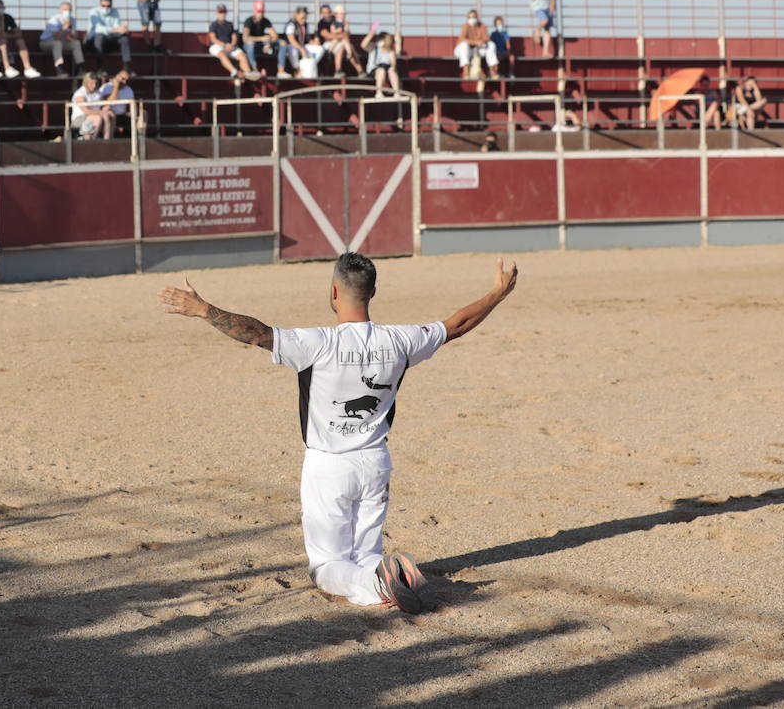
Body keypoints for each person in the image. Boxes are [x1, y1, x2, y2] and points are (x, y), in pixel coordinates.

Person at [157, 252, 519, 614]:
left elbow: (257, 334)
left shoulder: (316, 343)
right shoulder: (401, 340)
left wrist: (204, 310)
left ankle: (379, 582)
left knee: (326, 568)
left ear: (333, 291)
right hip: (376, 462)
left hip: (328, 466)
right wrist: (497, 294)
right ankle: (383, 576)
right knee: (366, 555)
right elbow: (456, 324)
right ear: (373, 292)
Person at [0, 0, 41, 79]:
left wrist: (10, 35)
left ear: (4, 7)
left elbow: (18, 33)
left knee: (20, 41)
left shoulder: (8, 17)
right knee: (3, 41)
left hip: (7, 40)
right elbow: (0, 34)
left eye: (0, 7)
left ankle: (27, 68)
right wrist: (2, 20)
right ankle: (7, 67)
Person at [207, 4, 257, 81]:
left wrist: (232, 45)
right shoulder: (214, 25)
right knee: (221, 53)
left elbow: (234, 37)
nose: (222, 14)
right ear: (216, 13)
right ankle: (234, 71)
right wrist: (224, 45)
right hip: (217, 46)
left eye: (223, 12)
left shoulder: (229, 25)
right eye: (220, 12)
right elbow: (213, 38)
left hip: (230, 46)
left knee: (242, 56)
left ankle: (248, 73)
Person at [85, 0, 133, 74]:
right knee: (99, 36)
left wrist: (123, 29)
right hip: (92, 43)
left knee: (124, 38)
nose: (106, 8)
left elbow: (117, 26)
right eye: (103, 6)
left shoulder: (115, 12)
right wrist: (116, 29)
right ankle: (100, 68)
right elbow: (98, 28)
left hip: (108, 42)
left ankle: (126, 68)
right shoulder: (93, 12)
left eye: (108, 6)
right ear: (100, 5)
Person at [39, 2, 85, 76]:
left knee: (76, 43)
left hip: (62, 44)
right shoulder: (54, 19)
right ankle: (59, 69)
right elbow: (56, 37)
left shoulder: (72, 20)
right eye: (65, 9)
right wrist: (65, 27)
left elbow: (74, 37)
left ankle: (80, 68)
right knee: (57, 43)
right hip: (46, 43)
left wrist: (71, 30)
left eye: (69, 10)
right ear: (60, 10)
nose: (67, 12)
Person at [279, 6, 324, 79]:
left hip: (303, 46)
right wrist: (301, 49)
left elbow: (308, 38)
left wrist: (315, 43)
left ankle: (310, 66)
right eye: (302, 18)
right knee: (293, 50)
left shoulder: (305, 25)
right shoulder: (291, 24)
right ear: (297, 15)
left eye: (305, 18)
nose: (304, 20)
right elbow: (291, 40)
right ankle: (297, 70)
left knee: (320, 49)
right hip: (292, 46)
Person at [453, 10, 498, 79]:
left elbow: (487, 38)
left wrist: (482, 42)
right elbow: (462, 39)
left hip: (477, 50)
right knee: (464, 45)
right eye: (470, 17)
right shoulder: (465, 26)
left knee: (491, 44)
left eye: (474, 17)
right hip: (464, 51)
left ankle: (492, 71)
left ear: (477, 17)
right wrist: (475, 42)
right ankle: (466, 72)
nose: (472, 19)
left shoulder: (482, 26)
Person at [70, 72, 114, 140]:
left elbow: (103, 105)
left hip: (96, 115)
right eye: (91, 83)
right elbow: (86, 111)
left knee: (111, 115)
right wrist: (102, 112)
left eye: (96, 83)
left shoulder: (98, 93)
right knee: (98, 118)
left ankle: (108, 139)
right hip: (80, 118)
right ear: (86, 83)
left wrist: (107, 108)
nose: (94, 85)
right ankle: (93, 139)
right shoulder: (80, 93)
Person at [321, 5, 363, 77]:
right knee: (342, 46)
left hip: (340, 42)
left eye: (328, 12)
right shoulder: (322, 23)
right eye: (325, 12)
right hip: (330, 45)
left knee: (349, 46)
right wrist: (341, 35)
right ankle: (338, 70)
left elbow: (347, 34)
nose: (327, 14)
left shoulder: (340, 21)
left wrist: (345, 31)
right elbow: (327, 35)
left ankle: (360, 71)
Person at [362, 25, 399, 98]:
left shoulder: (390, 51)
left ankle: (397, 92)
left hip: (387, 70)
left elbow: (393, 63)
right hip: (374, 70)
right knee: (381, 70)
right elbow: (363, 45)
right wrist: (371, 34)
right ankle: (379, 92)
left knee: (392, 71)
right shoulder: (374, 47)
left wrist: (393, 67)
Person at [241, 0, 278, 74]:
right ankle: (254, 69)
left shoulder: (266, 21)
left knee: (281, 43)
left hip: (260, 46)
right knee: (250, 44)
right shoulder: (249, 21)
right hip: (248, 47)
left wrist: (269, 43)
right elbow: (245, 38)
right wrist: (261, 38)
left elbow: (275, 36)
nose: (260, 14)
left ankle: (279, 70)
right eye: (258, 12)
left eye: (262, 12)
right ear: (254, 11)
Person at [97, 68, 134, 133]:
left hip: (122, 115)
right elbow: (111, 102)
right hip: (109, 115)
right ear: (117, 76)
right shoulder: (106, 87)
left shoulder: (128, 89)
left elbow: (132, 106)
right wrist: (116, 86)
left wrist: (134, 114)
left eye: (126, 80)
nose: (124, 82)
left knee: (135, 119)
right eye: (123, 79)